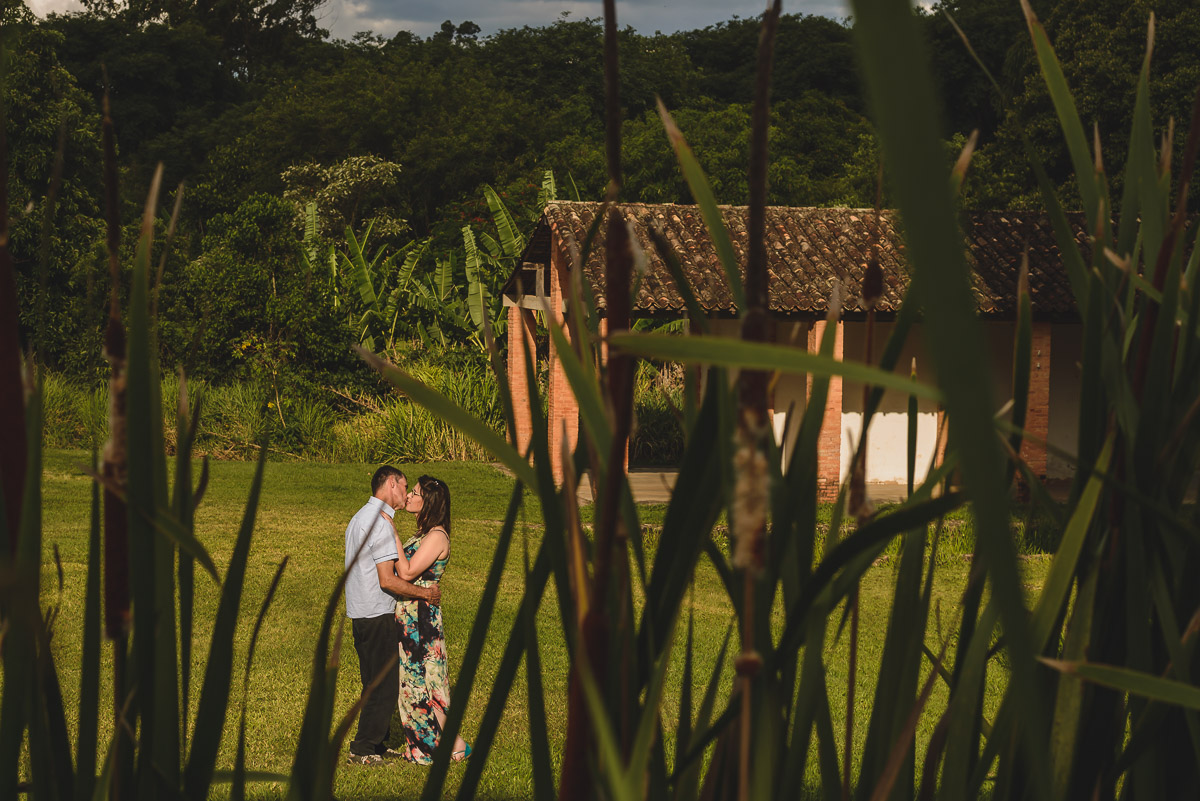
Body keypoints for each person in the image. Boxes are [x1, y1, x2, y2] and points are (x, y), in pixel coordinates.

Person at [344, 465, 442, 766]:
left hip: (360, 612)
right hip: (377, 613)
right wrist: (425, 594)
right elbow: (388, 580)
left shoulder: (361, 517)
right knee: (383, 685)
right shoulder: (380, 523)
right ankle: (363, 749)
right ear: (391, 484)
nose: (406, 494)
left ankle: (377, 743)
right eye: (404, 486)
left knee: (372, 681)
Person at [391, 474, 471, 764]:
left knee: (426, 681)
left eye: (415, 493)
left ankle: (450, 746)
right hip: (411, 615)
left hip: (422, 619)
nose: (409, 497)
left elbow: (407, 571)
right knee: (415, 681)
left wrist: (393, 535)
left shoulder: (436, 536)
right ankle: (436, 745)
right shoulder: (423, 534)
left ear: (429, 503)